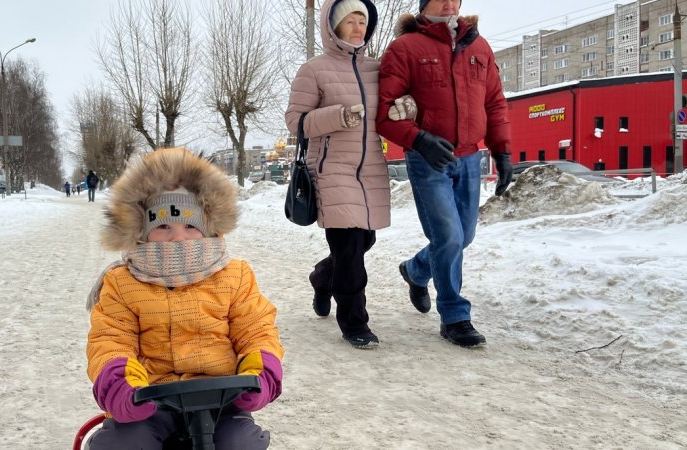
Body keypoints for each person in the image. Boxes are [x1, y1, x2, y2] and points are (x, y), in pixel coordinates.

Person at [85, 148, 283, 450]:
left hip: (222, 400)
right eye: (163, 226)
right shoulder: (122, 282)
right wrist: (120, 384)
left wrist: (260, 372)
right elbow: (111, 339)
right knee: (122, 443)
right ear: (142, 231)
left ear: (207, 229)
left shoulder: (235, 275)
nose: (178, 238)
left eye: (190, 226)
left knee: (240, 443)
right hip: (150, 399)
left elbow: (256, 330)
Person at [376, 0, 513, 347]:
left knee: (462, 237)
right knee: (449, 237)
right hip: (428, 160)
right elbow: (385, 112)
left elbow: (494, 102)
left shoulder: (478, 45)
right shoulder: (404, 48)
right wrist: (418, 140)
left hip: (469, 158)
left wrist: (502, 150)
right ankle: (455, 315)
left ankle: (417, 270)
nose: (449, 4)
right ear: (424, 4)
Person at [285, 0, 390, 349]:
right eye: (350, 21)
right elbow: (296, 123)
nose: (358, 27)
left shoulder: (378, 69)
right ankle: (355, 323)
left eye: (363, 20)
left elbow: (387, 114)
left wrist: (406, 110)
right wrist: (338, 116)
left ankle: (321, 277)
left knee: (365, 242)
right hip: (332, 169)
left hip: (370, 169)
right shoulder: (313, 69)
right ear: (333, 25)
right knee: (348, 249)